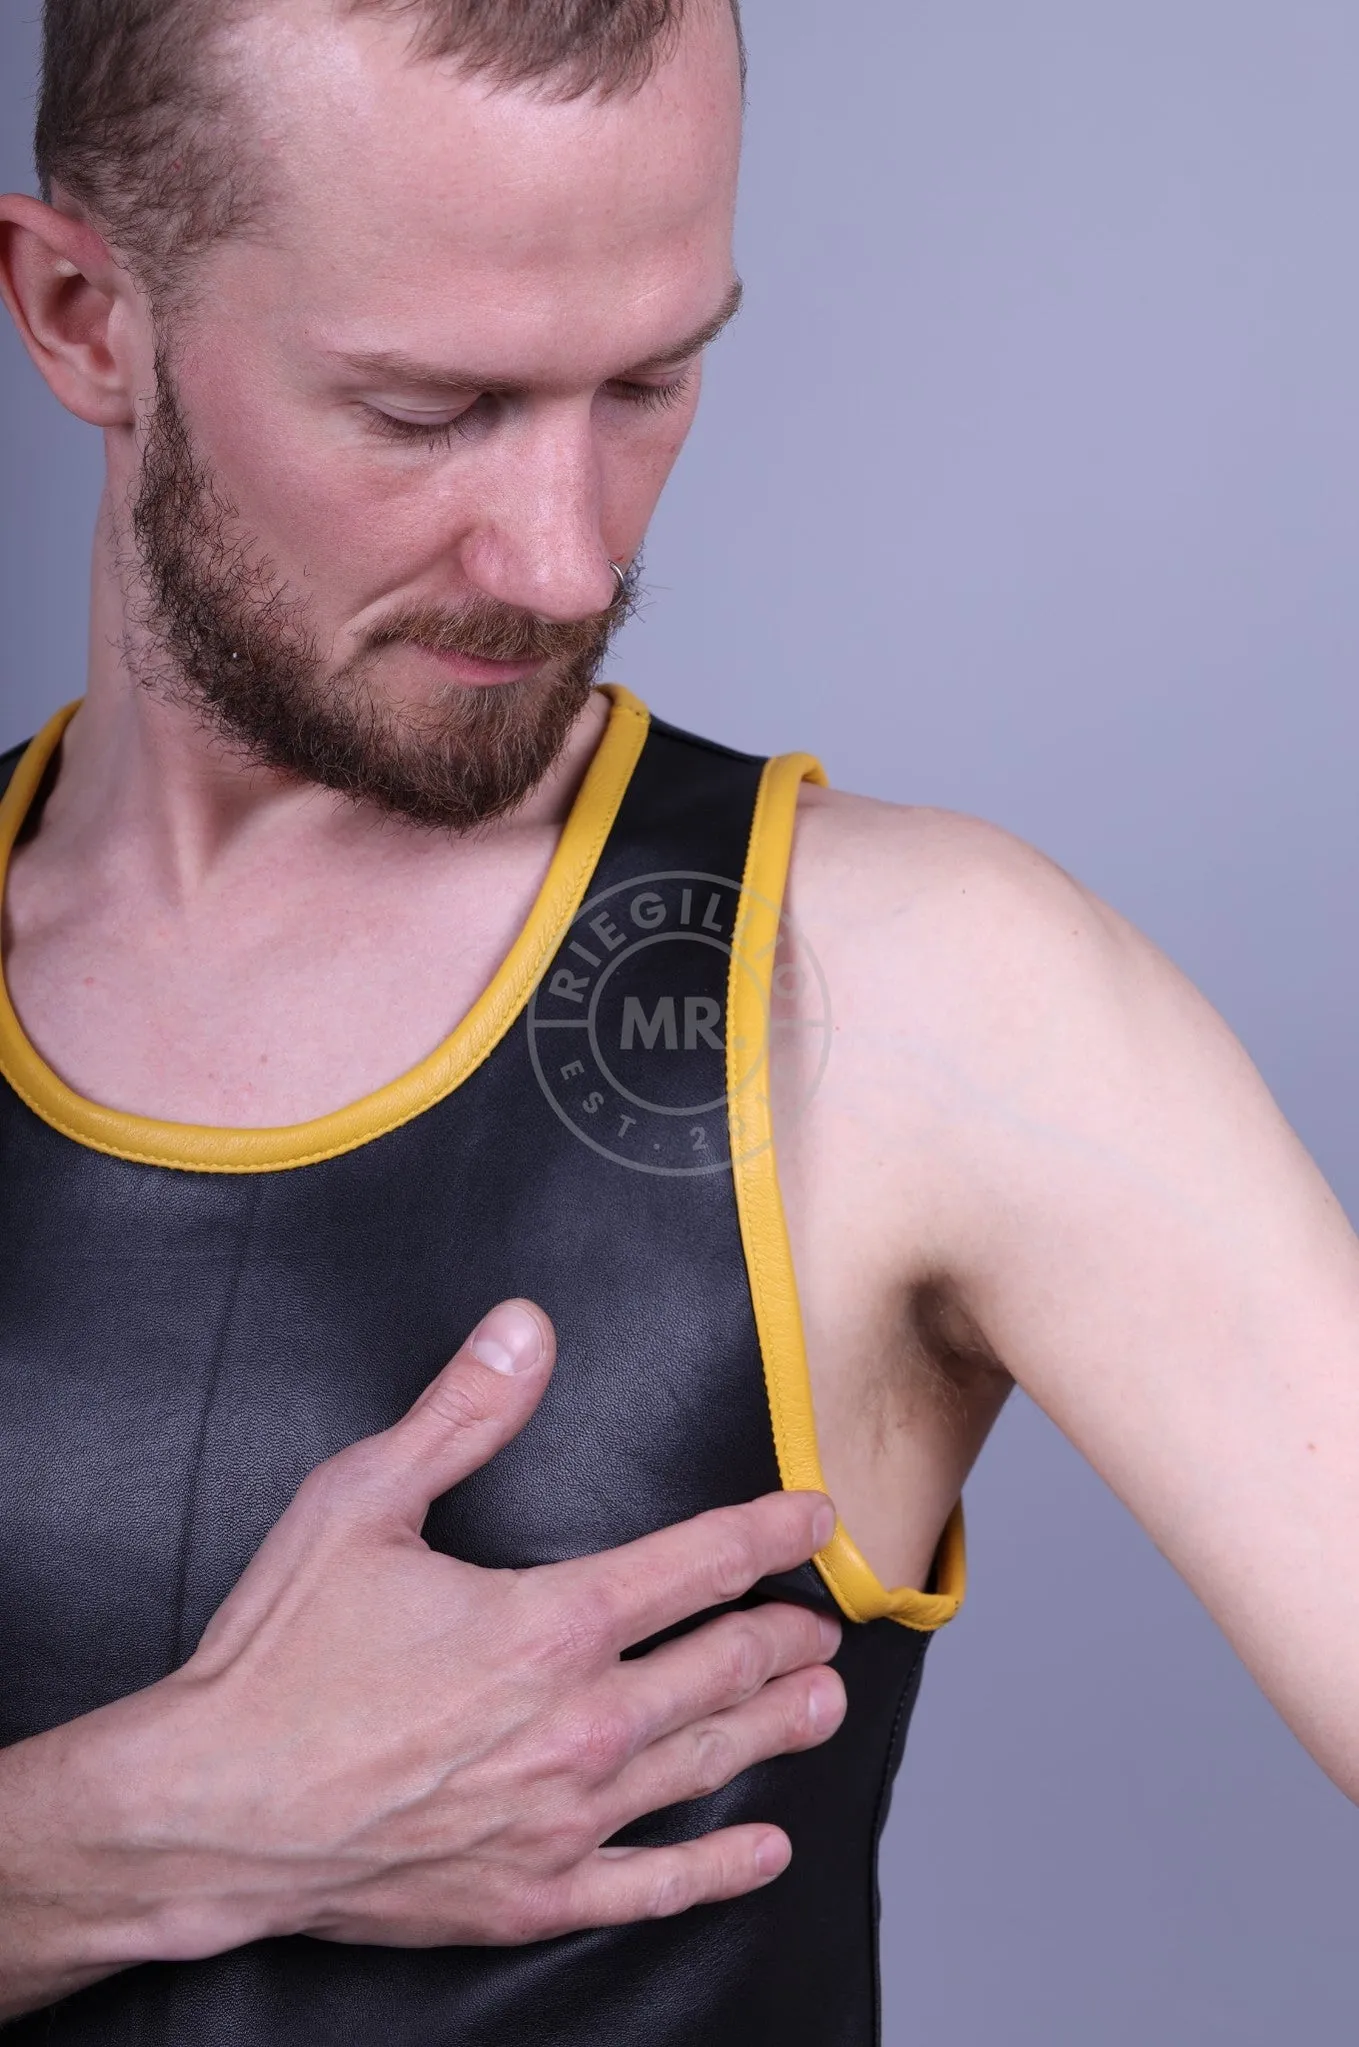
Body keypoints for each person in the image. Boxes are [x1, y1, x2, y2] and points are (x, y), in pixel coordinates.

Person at [2, 0, 1357, 2041]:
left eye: (651, 377)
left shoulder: (912, 992)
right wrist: (136, 1830)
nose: (565, 558)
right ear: (83, 313)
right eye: (426, 408)